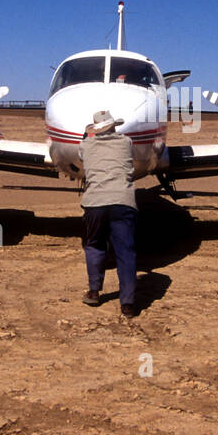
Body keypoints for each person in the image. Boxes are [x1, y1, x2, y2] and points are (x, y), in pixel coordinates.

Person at [78, 110, 139, 317]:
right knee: (125, 252)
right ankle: (128, 304)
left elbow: (82, 152)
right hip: (123, 201)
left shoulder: (86, 145)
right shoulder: (126, 142)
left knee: (94, 245)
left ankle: (94, 292)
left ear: (95, 129)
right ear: (114, 126)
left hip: (95, 202)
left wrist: (88, 135)